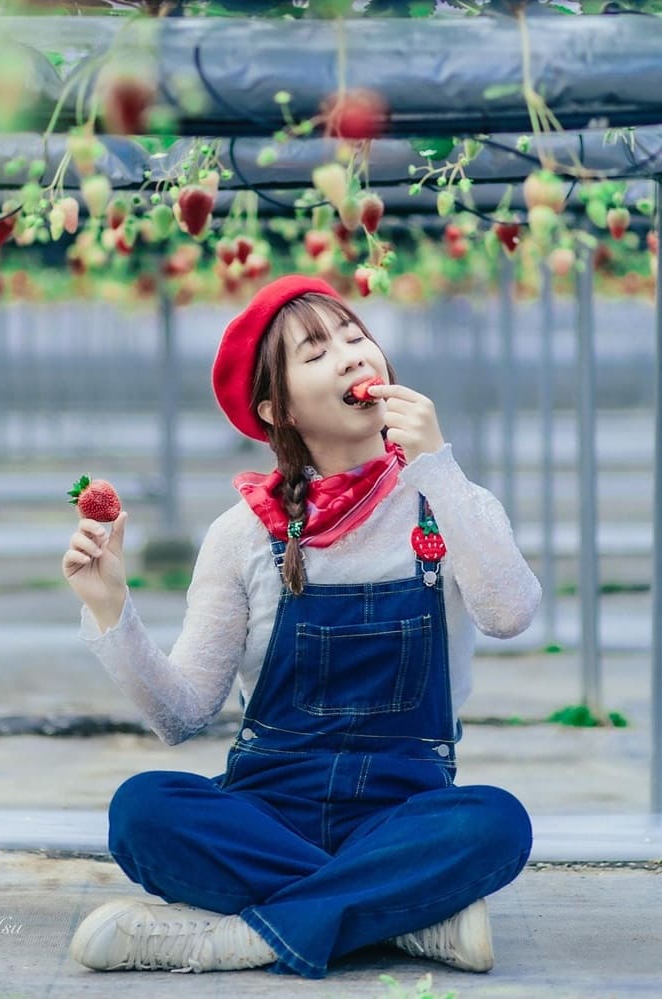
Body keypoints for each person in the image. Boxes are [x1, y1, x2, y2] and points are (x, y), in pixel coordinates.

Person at [62, 274, 541, 979]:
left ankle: (237, 937)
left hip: (401, 812)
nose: (352, 355)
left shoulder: (448, 500)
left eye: (355, 336)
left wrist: (438, 467)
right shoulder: (242, 536)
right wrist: (110, 607)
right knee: (143, 809)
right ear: (277, 408)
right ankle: (400, 914)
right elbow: (182, 712)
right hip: (269, 810)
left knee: (498, 823)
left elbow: (510, 612)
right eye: (317, 351)